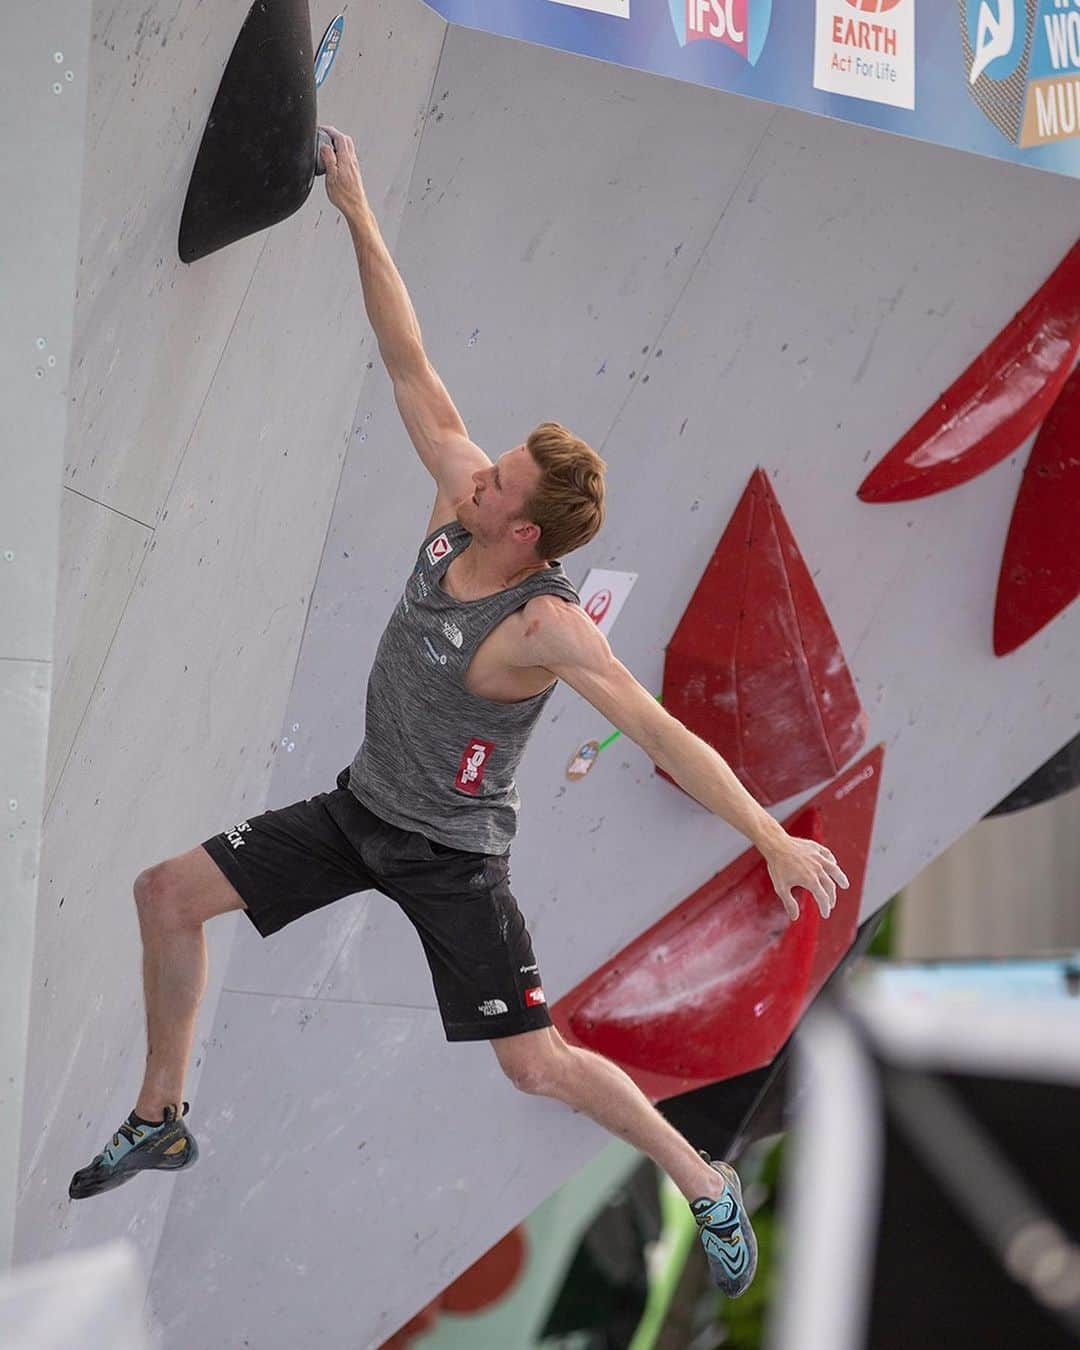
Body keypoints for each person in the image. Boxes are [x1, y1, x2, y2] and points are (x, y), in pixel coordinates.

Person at [69, 127, 849, 1298]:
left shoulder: (544, 627)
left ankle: (702, 1176)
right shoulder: (454, 508)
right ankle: (162, 1113)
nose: (476, 475)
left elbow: (658, 730)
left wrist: (772, 836)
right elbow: (406, 358)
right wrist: (356, 208)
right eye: (487, 474)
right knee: (167, 896)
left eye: (498, 487)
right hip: (357, 808)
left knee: (535, 1069)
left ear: (526, 532)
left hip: (450, 857)